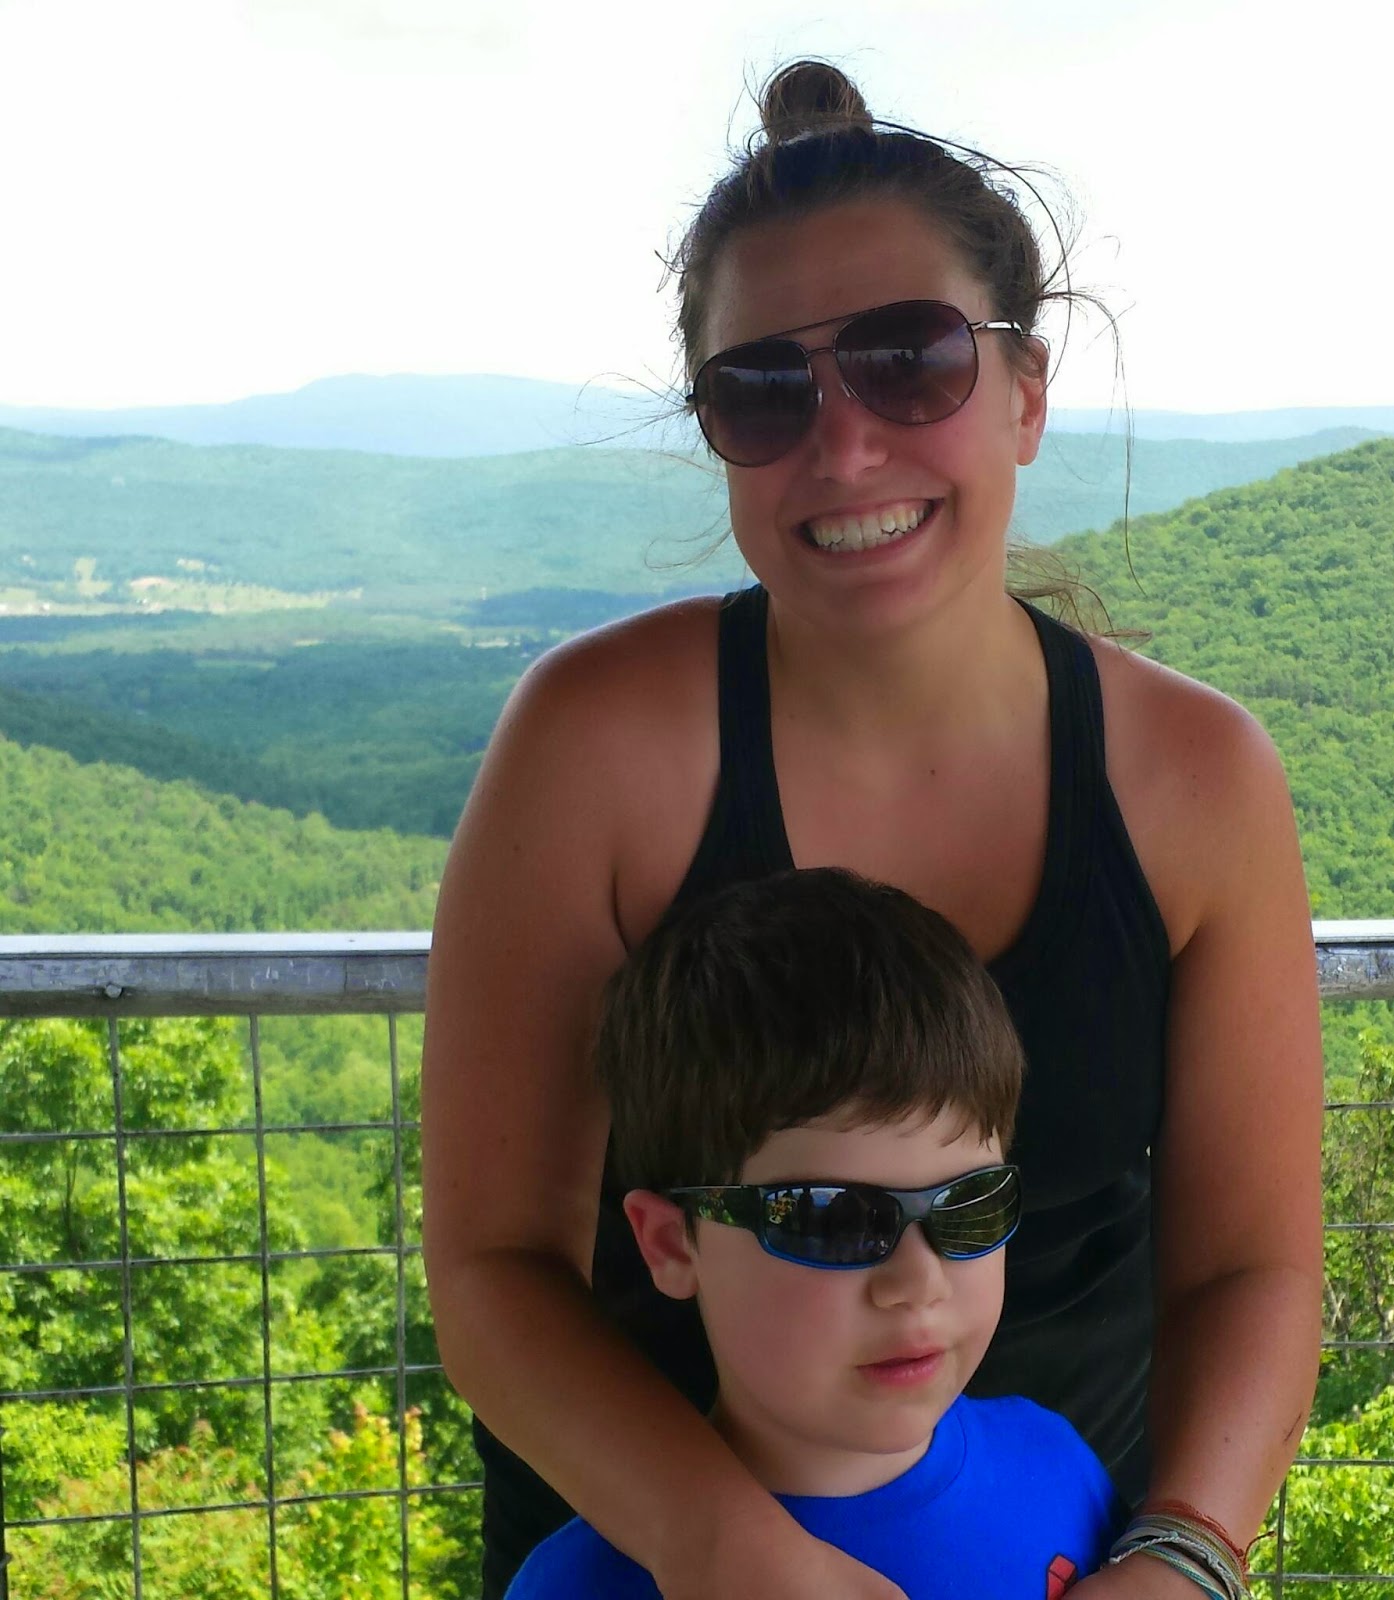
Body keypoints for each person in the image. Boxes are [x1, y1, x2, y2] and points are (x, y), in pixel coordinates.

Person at [421, 57, 1324, 1600]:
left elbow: (1253, 1266)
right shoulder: (599, 746)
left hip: (1058, 1550)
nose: (842, 450)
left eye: (912, 363)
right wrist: (727, 1548)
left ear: (1027, 391)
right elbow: (496, 1268)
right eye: (764, 391)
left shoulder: (1194, 779)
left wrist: (1183, 1556)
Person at [506, 866, 1121, 1599]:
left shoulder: (1060, 1466)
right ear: (671, 1243)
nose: (917, 1282)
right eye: (832, 1219)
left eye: (968, 1203)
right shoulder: (579, 1587)